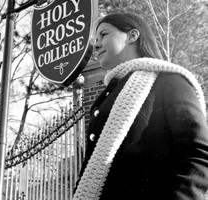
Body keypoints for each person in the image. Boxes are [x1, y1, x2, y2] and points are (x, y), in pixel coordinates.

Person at [73, 12, 208, 200]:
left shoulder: (169, 81)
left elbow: (199, 154)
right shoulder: (106, 97)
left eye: (104, 35)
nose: (96, 44)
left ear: (133, 36)